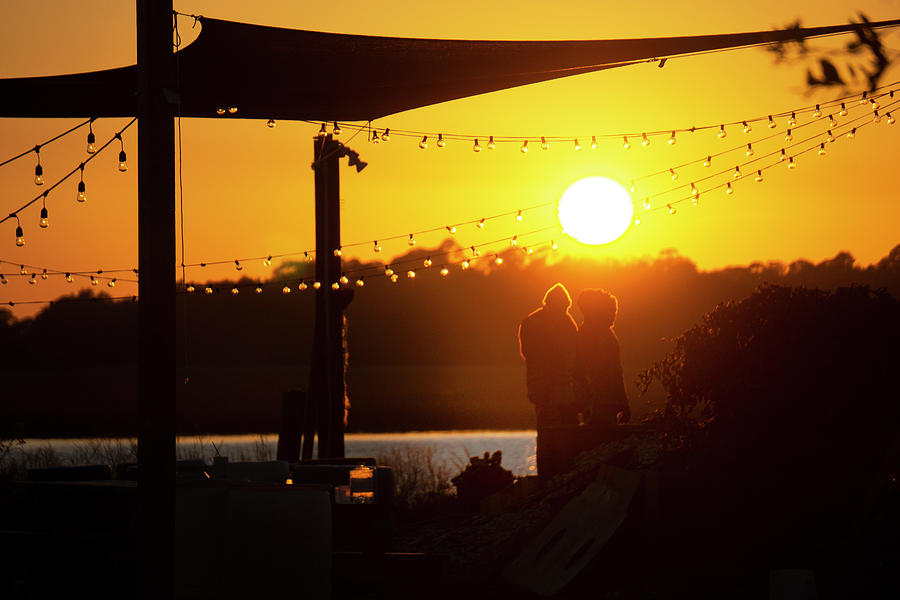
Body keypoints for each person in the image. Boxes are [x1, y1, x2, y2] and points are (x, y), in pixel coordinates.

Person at [518, 283, 579, 428]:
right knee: (564, 426)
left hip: (540, 384)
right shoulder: (565, 322)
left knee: (547, 426)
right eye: (563, 307)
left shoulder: (529, 322)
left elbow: (526, 353)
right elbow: (575, 352)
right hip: (558, 385)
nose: (565, 310)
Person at [574, 289, 630, 425]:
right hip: (603, 401)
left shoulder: (583, 333)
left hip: (593, 401)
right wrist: (623, 402)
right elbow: (614, 371)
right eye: (610, 310)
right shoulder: (603, 335)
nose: (614, 314)